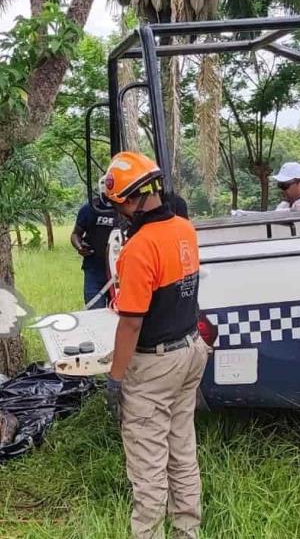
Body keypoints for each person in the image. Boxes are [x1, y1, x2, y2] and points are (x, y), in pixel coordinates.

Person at [102, 151, 208, 539]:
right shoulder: (184, 228)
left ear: (131, 199)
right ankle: (187, 531)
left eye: (119, 207)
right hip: (190, 350)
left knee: (148, 466)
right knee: (182, 451)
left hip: (155, 366)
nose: (120, 215)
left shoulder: (139, 248)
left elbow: (130, 323)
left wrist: (115, 379)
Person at [71, 190, 117, 309]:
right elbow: (75, 234)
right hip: (94, 271)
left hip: (119, 271)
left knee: (119, 313)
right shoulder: (88, 209)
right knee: (95, 312)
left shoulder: (127, 209)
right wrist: (79, 247)